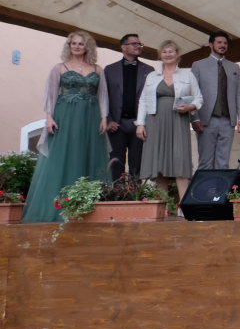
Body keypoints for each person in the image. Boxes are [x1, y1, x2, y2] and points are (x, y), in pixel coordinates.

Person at [22, 31, 110, 223]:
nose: (77, 47)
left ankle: (89, 210)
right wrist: (49, 118)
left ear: (87, 47)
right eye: (74, 43)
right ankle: (59, 208)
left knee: (88, 155)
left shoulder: (98, 69)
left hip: (91, 117)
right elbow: (50, 94)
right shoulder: (59, 68)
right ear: (69, 46)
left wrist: (104, 117)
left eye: (81, 44)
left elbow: (103, 95)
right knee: (64, 156)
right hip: (65, 117)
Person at [136, 40, 203, 201]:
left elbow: (199, 98)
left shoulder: (188, 75)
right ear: (160, 54)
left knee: (180, 163)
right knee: (159, 166)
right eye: (164, 51)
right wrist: (140, 124)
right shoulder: (152, 76)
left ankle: (184, 207)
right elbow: (143, 100)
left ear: (177, 54)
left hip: (178, 121)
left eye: (171, 51)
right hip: (155, 121)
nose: (167, 54)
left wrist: (190, 107)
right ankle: (162, 207)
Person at [191, 31, 240, 170]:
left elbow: (239, 94)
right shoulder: (198, 65)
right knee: (205, 162)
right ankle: (204, 186)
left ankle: (220, 186)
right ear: (211, 44)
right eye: (219, 42)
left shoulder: (234, 67)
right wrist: (195, 118)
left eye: (225, 43)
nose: (222, 45)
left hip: (228, 121)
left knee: (223, 163)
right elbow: (192, 93)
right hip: (206, 120)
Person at [104, 33, 153, 179]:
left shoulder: (149, 70)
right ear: (123, 47)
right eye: (134, 43)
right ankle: (116, 192)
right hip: (116, 124)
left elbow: (152, 99)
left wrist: (145, 123)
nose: (138, 46)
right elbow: (103, 97)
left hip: (139, 124)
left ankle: (136, 192)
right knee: (115, 165)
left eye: (140, 44)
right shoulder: (109, 70)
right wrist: (108, 120)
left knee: (137, 165)